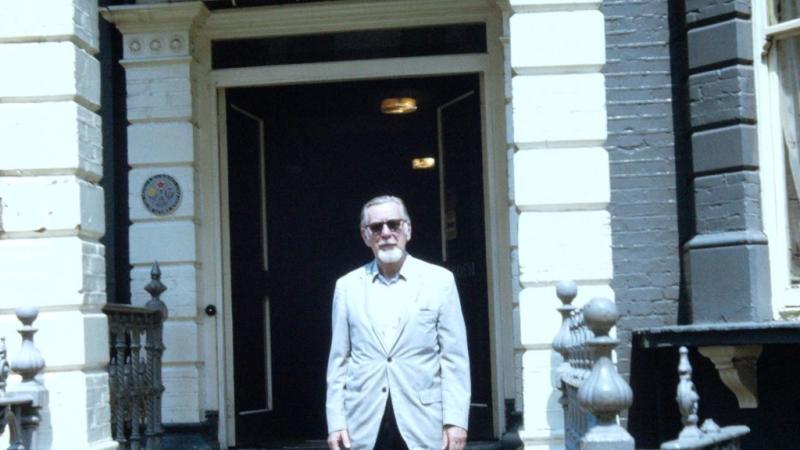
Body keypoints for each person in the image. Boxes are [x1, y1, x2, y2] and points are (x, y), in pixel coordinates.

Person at [326, 195, 471, 450]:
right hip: (365, 423)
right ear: (365, 235)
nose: (386, 233)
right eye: (376, 227)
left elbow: (454, 359)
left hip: (423, 423)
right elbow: (339, 360)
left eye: (393, 225)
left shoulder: (440, 281)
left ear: (408, 230)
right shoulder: (347, 287)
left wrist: (456, 421)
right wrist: (336, 422)